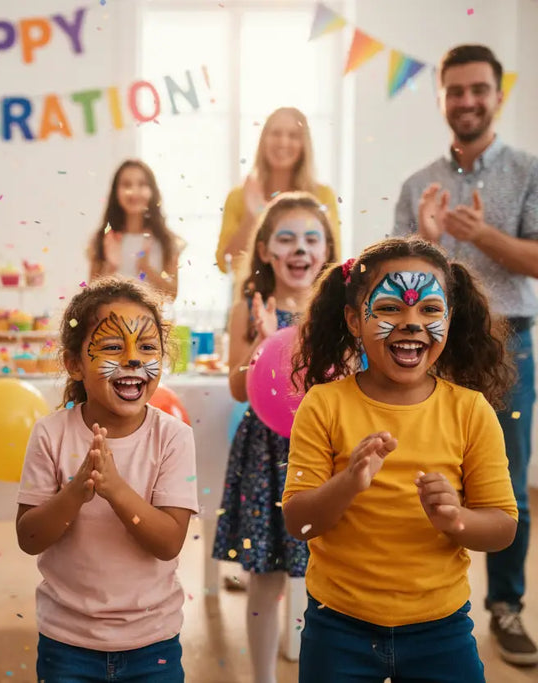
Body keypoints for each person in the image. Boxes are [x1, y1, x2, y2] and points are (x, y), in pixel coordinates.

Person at [283, 237, 518, 681]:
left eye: (429, 310)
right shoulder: (323, 405)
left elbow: (503, 528)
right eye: (390, 308)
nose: (411, 324)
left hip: (441, 631)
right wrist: (348, 482)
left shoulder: (470, 410)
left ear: (451, 317)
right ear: (355, 319)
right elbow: (299, 524)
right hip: (338, 629)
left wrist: (457, 520)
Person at [393, 43, 538, 666]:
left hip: (510, 344)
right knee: (414, 474)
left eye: (479, 89)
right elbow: (392, 283)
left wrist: (483, 238)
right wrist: (426, 242)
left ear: (497, 95)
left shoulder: (528, 171)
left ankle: (505, 607)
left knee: (506, 485)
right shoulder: (415, 184)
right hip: (427, 350)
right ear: (442, 97)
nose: (468, 100)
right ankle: (414, 600)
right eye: (456, 91)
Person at [16, 276, 198, 682]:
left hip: (154, 645)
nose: (134, 360)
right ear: (74, 363)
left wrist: (114, 490)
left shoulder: (173, 437)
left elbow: (168, 543)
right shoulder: (51, 434)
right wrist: (75, 494)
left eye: (148, 348)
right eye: (114, 347)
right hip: (67, 645)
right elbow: (28, 538)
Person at [211, 192, 337, 683]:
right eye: (286, 238)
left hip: (324, 451)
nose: (299, 248)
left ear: (326, 250)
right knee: (263, 574)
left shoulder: (338, 313)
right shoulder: (249, 307)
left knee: (322, 573)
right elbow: (239, 385)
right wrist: (265, 343)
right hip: (265, 452)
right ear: (265, 250)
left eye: (311, 238)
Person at [215, 107, 340, 274]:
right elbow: (226, 265)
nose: (283, 142)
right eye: (276, 133)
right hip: (253, 297)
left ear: (304, 144)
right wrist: (252, 217)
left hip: (308, 297)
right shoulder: (239, 197)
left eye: (293, 135)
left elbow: (334, 261)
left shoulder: (322, 196)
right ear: (263, 140)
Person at [87, 160, 182, 299]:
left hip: (154, 320)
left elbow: (172, 295)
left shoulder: (166, 240)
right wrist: (111, 267)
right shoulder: (103, 239)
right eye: (126, 185)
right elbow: (89, 297)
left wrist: (146, 269)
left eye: (142, 184)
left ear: (152, 190)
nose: (134, 192)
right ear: (116, 192)